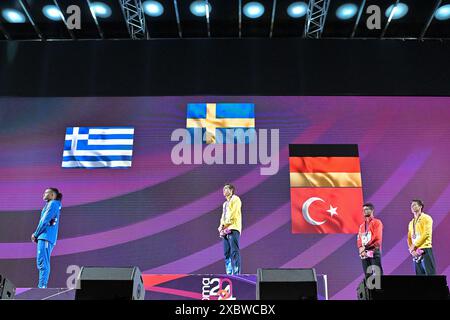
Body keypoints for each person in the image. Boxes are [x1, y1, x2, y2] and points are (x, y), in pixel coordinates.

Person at [31, 188, 62, 288]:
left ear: (53, 195)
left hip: (45, 236)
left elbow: (44, 220)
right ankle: (42, 286)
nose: (43, 194)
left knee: (43, 262)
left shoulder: (52, 204)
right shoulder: (53, 204)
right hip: (46, 237)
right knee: (43, 262)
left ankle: (42, 287)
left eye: (46, 192)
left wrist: (35, 234)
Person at [218, 183, 242, 275]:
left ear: (231, 190)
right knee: (226, 252)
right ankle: (229, 272)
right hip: (225, 231)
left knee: (234, 251)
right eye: (223, 189)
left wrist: (224, 226)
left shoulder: (235, 199)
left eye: (226, 189)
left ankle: (236, 273)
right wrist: (221, 227)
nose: (224, 190)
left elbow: (233, 214)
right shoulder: (225, 204)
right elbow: (222, 217)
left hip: (233, 228)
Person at [407, 199, 436, 275]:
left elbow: (426, 234)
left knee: (430, 274)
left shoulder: (426, 218)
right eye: (411, 205)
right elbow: (409, 238)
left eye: (414, 205)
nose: (412, 206)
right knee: (419, 275)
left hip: (425, 249)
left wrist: (414, 245)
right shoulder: (411, 223)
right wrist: (412, 250)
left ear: (420, 206)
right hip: (415, 252)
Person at [357, 203, 383, 277]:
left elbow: (376, 237)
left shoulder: (377, 222)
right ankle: (370, 289)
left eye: (366, 209)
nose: (364, 211)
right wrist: (360, 248)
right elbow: (359, 238)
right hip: (364, 253)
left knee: (378, 275)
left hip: (374, 251)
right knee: (368, 276)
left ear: (372, 210)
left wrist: (365, 247)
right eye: (363, 210)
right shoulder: (362, 226)